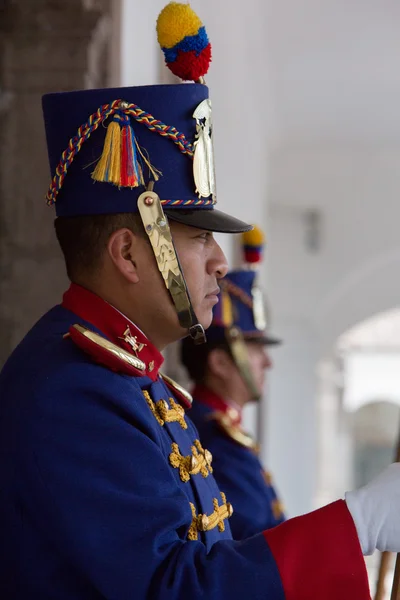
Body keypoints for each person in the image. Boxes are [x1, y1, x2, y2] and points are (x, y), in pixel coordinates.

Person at [0, 3, 399, 599]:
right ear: (129, 254)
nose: (219, 261)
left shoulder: (135, 381)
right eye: (199, 238)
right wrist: (358, 523)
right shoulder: (73, 392)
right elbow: (175, 590)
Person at [181, 225, 286, 538]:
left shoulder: (221, 430)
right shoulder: (215, 439)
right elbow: (257, 539)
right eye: (255, 351)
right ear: (220, 362)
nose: (268, 362)